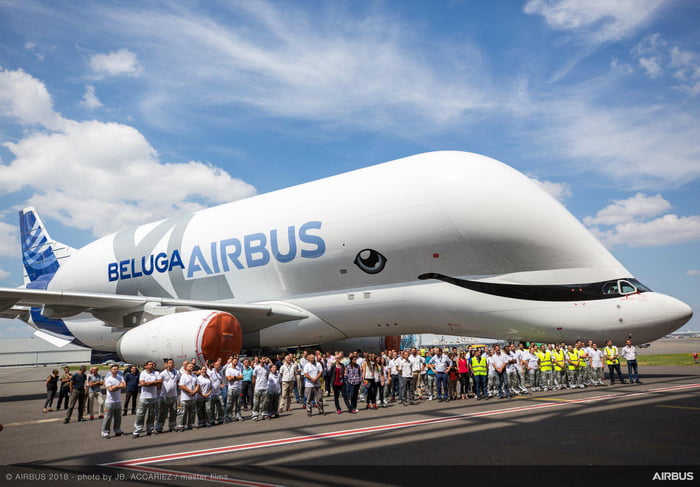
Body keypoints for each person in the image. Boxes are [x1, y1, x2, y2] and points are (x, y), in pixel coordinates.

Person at [132, 360, 162, 437]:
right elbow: (142, 383)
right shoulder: (143, 373)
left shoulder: (156, 373)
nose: (151, 365)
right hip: (144, 398)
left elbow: (160, 381)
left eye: (152, 364)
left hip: (154, 397)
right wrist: (154, 383)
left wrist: (148, 383)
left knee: (152, 415)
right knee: (140, 415)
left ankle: (150, 429)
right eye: (149, 364)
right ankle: (137, 431)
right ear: (145, 366)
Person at [101, 364, 125, 438]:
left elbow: (124, 386)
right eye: (114, 369)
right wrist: (119, 386)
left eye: (117, 369)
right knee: (107, 417)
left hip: (118, 401)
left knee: (118, 417)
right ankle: (105, 432)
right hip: (109, 402)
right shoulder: (108, 379)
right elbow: (110, 389)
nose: (116, 370)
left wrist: (115, 386)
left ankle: (117, 430)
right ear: (110, 371)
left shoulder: (120, 378)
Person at [156, 358, 180, 433]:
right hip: (164, 396)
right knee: (162, 412)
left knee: (173, 412)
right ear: (167, 364)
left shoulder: (177, 372)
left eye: (172, 362)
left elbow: (178, 381)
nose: (171, 364)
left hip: (174, 395)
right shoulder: (163, 373)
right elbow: (159, 383)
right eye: (170, 363)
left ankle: (172, 426)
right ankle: (159, 427)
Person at [176, 362, 199, 431]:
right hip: (185, 398)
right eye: (190, 366)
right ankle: (181, 425)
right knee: (183, 412)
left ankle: (191, 424)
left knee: (192, 412)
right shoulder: (183, 376)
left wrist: (194, 391)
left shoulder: (194, 376)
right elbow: (181, 386)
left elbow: (197, 385)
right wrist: (190, 391)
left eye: (192, 367)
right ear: (186, 368)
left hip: (193, 397)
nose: (191, 368)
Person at [251, 357, 270, 421]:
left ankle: (264, 413)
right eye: (263, 359)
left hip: (265, 387)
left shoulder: (267, 367)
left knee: (265, 402)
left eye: (265, 359)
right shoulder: (257, 368)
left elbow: (267, 376)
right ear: (260, 360)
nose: (264, 360)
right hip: (258, 387)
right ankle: (255, 415)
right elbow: (254, 377)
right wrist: (254, 386)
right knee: (256, 402)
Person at [209, 360, 224, 424]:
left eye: (219, 364)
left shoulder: (220, 372)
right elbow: (209, 381)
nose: (219, 366)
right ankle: (212, 420)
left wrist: (221, 384)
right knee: (212, 407)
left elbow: (221, 380)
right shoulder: (211, 373)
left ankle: (220, 419)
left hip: (219, 392)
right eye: (217, 365)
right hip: (212, 393)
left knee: (221, 406)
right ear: (214, 366)